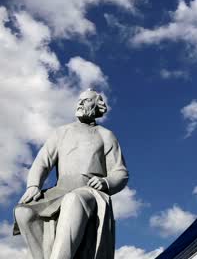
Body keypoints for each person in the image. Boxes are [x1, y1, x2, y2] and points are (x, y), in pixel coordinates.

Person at [13, 89, 129, 259]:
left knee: (73, 199)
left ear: (98, 106)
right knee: (24, 212)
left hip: (90, 191)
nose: (81, 103)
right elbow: (42, 162)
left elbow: (120, 172)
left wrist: (105, 182)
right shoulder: (61, 133)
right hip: (59, 191)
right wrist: (33, 186)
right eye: (80, 100)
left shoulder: (105, 135)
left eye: (87, 100)